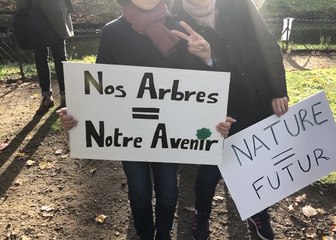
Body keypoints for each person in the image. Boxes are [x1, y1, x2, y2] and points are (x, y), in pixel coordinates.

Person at [58, 0, 234, 239]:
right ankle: (144, 234)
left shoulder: (181, 28)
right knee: (139, 191)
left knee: (169, 191)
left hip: (171, 132)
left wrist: (208, 60)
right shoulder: (113, 31)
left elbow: (201, 83)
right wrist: (79, 111)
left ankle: (163, 235)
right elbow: (100, 83)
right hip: (129, 133)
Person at [171, 0, 289, 239]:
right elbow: (184, 78)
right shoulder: (174, 21)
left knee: (256, 161)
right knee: (210, 170)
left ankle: (258, 210)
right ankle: (202, 214)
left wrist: (278, 89)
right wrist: (207, 60)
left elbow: (268, 45)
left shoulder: (241, 4)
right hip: (220, 111)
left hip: (258, 97)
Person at [15, 0, 74, 114]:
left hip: (54, 19)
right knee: (42, 59)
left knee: (59, 58)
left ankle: (64, 95)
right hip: (36, 19)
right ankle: (48, 97)